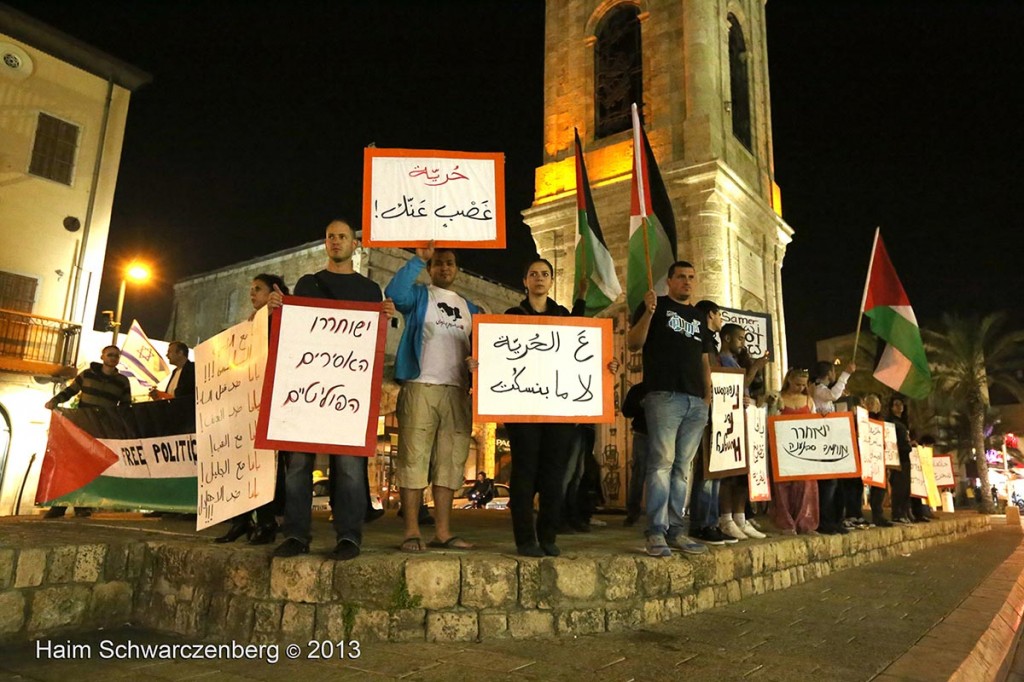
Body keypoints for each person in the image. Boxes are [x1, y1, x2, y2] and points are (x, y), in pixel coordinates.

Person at [274, 220, 394, 561]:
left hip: (348, 394)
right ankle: (297, 534)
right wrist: (279, 310)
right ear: (325, 243)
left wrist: (385, 315)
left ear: (354, 245)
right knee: (298, 464)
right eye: (330, 237)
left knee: (350, 469)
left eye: (342, 237)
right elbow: (296, 333)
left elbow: (373, 343)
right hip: (307, 391)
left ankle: (349, 536)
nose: (336, 241)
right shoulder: (307, 284)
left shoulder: (370, 291)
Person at [386, 240, 477, 552]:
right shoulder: (419, 295)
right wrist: (416, 260)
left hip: (456, 391)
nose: (444, 267)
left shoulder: (470, 308)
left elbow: (486, 345)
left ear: (457, 269)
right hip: (420, 386)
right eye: (438, 263)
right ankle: (411, 531)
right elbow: (395, 293)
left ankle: (443, 532)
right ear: (430, 268)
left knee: (450, 463)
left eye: (450, 263)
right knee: (413, 457)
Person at [626, 261, 712, 558]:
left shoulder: (699, 317)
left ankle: (678, 530)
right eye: (681, 277)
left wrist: (708, 393)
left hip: (695, 401)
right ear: (670, 281)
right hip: (664, 396)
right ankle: (655, 532)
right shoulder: (655, 306)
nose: (687, 282)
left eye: (691, 277)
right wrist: (648, 313)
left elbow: (703, 357)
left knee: (683, 469)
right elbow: (633, 343)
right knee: (661, 464)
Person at [215, 274, 289, 545]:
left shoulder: (279, 321)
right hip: (245, 405)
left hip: (267, 403)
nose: (252, 294)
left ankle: (267, 521)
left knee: (264, 464)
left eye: (258, 289)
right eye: (251, 289)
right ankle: (241, 519)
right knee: (242, 461)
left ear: (274, 292)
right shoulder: (252, 323)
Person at [43, 345, 132, 518]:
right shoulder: (86, 375)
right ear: (102, 357)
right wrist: (55, 401)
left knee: (90, 469)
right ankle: (59, 506)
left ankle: (83, 505)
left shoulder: (123, 382)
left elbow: (126, 408)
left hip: (101, 431)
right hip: (80, 428)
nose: (114, 358)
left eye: (117, 356)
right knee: (69, 465)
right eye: (110, 355)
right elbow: (70, 391)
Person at [687, 299, 735, 546]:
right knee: (707, 470)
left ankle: (711, 522)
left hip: (719, 412)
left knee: (716, 470)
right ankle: (702, 524)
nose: (721, 320)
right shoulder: (701, 339)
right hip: (707, 410)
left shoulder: (710, 341)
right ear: (710, 314)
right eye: (719, 314)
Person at [717, 322, 767, 540]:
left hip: (743, 418)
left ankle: (740, 517)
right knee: (729, 474)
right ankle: (726, 518)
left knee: (742, 474)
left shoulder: (736, 362)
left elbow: (744, 389)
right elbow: (734, 385)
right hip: (728, 422)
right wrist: (755, 367)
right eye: (740, 339)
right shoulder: (721, 360)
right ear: (727, 339)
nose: (743, 344)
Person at [770, 368, 820, 535]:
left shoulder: (809, 400)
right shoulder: (778, 398)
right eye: (797, 384)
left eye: (803, 385)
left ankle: (806, 523)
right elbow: (770, 419)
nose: (800, 387)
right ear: (789, 380)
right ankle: (786, 523)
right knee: (783, 486)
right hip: (783, 448)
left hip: (805, 450)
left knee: (806, 485)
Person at [809, 360, 855, 535]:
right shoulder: (818, 388)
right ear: (829, 373)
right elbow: (833, 396)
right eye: (834, 372)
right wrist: (846, 374)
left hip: (830, 441)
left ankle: (836, 520)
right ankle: (824, 520)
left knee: (836, 484)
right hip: (822, 443)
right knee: (829, 484)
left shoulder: (823, 390)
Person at [863, 393, 892, 527]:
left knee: (880, 488)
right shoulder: (863, 419)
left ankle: (878, 514)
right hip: (867, 455)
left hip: (878, 456)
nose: (875, 406)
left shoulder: (880, 420)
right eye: (872, 404)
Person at [622, 382, 648, 527]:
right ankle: (633, 512)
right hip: (643, 434)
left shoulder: (665, 388)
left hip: (662, 435)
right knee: (639, 474)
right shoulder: (638, 389)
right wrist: (641, 405)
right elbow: (626, 411)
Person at [887, 395, 914, 524]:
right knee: (899, 487)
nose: (899, 407)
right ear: (891, 407)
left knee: (906, 487)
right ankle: (897, 513)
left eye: (901, 404)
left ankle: (905, 512)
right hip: (897, 458)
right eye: (896, 404)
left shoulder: (903, 422)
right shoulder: (891, 422)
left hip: (906, 456)